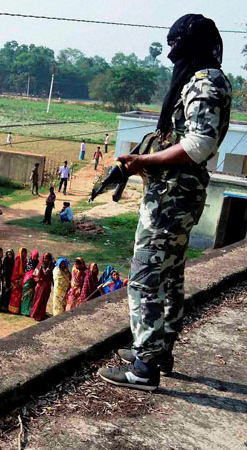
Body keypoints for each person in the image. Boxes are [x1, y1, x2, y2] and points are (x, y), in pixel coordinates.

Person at [99, 14, 232, 391]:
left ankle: (144, 368)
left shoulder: (205, 82)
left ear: (192, 44)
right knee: (169, 276)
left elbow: (199, 143)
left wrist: (144, 162)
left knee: (146, 276)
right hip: (175, 194)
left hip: (173, 198)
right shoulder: (204, 79)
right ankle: (157, 350)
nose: (171, 52)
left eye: (176, 44)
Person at [31, 253, 54, 321]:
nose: (45, 260)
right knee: (39, 301)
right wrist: (50, 266)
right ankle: (37, 315)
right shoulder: (41, 265)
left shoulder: (51, 265)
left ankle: (42, 314)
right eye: (44, 258)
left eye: (47, 258)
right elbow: (45, 273)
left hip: (47, 286)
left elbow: (52, 276)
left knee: (44, 301)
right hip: (41, 286)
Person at [20, 250, 40, 316]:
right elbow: (27, 272)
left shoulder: (38, 263)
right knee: (26, 296)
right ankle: (24, 310)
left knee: (31, 297)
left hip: (33, 281)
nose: (36, 258)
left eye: (37, 256)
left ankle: (28, 311)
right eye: (35, 256)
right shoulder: (29, 263)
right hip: (27, 281)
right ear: (32, 256)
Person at [8, 248, 28, 314]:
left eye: (25, 252)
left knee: (19, 295)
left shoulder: (25, 260)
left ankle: (17, 309)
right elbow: (15, 270)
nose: (24, 254)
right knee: (15, 294)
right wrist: (16, 280)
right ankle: (12, 308)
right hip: (16, 280)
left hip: (22, 279)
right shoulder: (18, 259)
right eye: (23, 252)